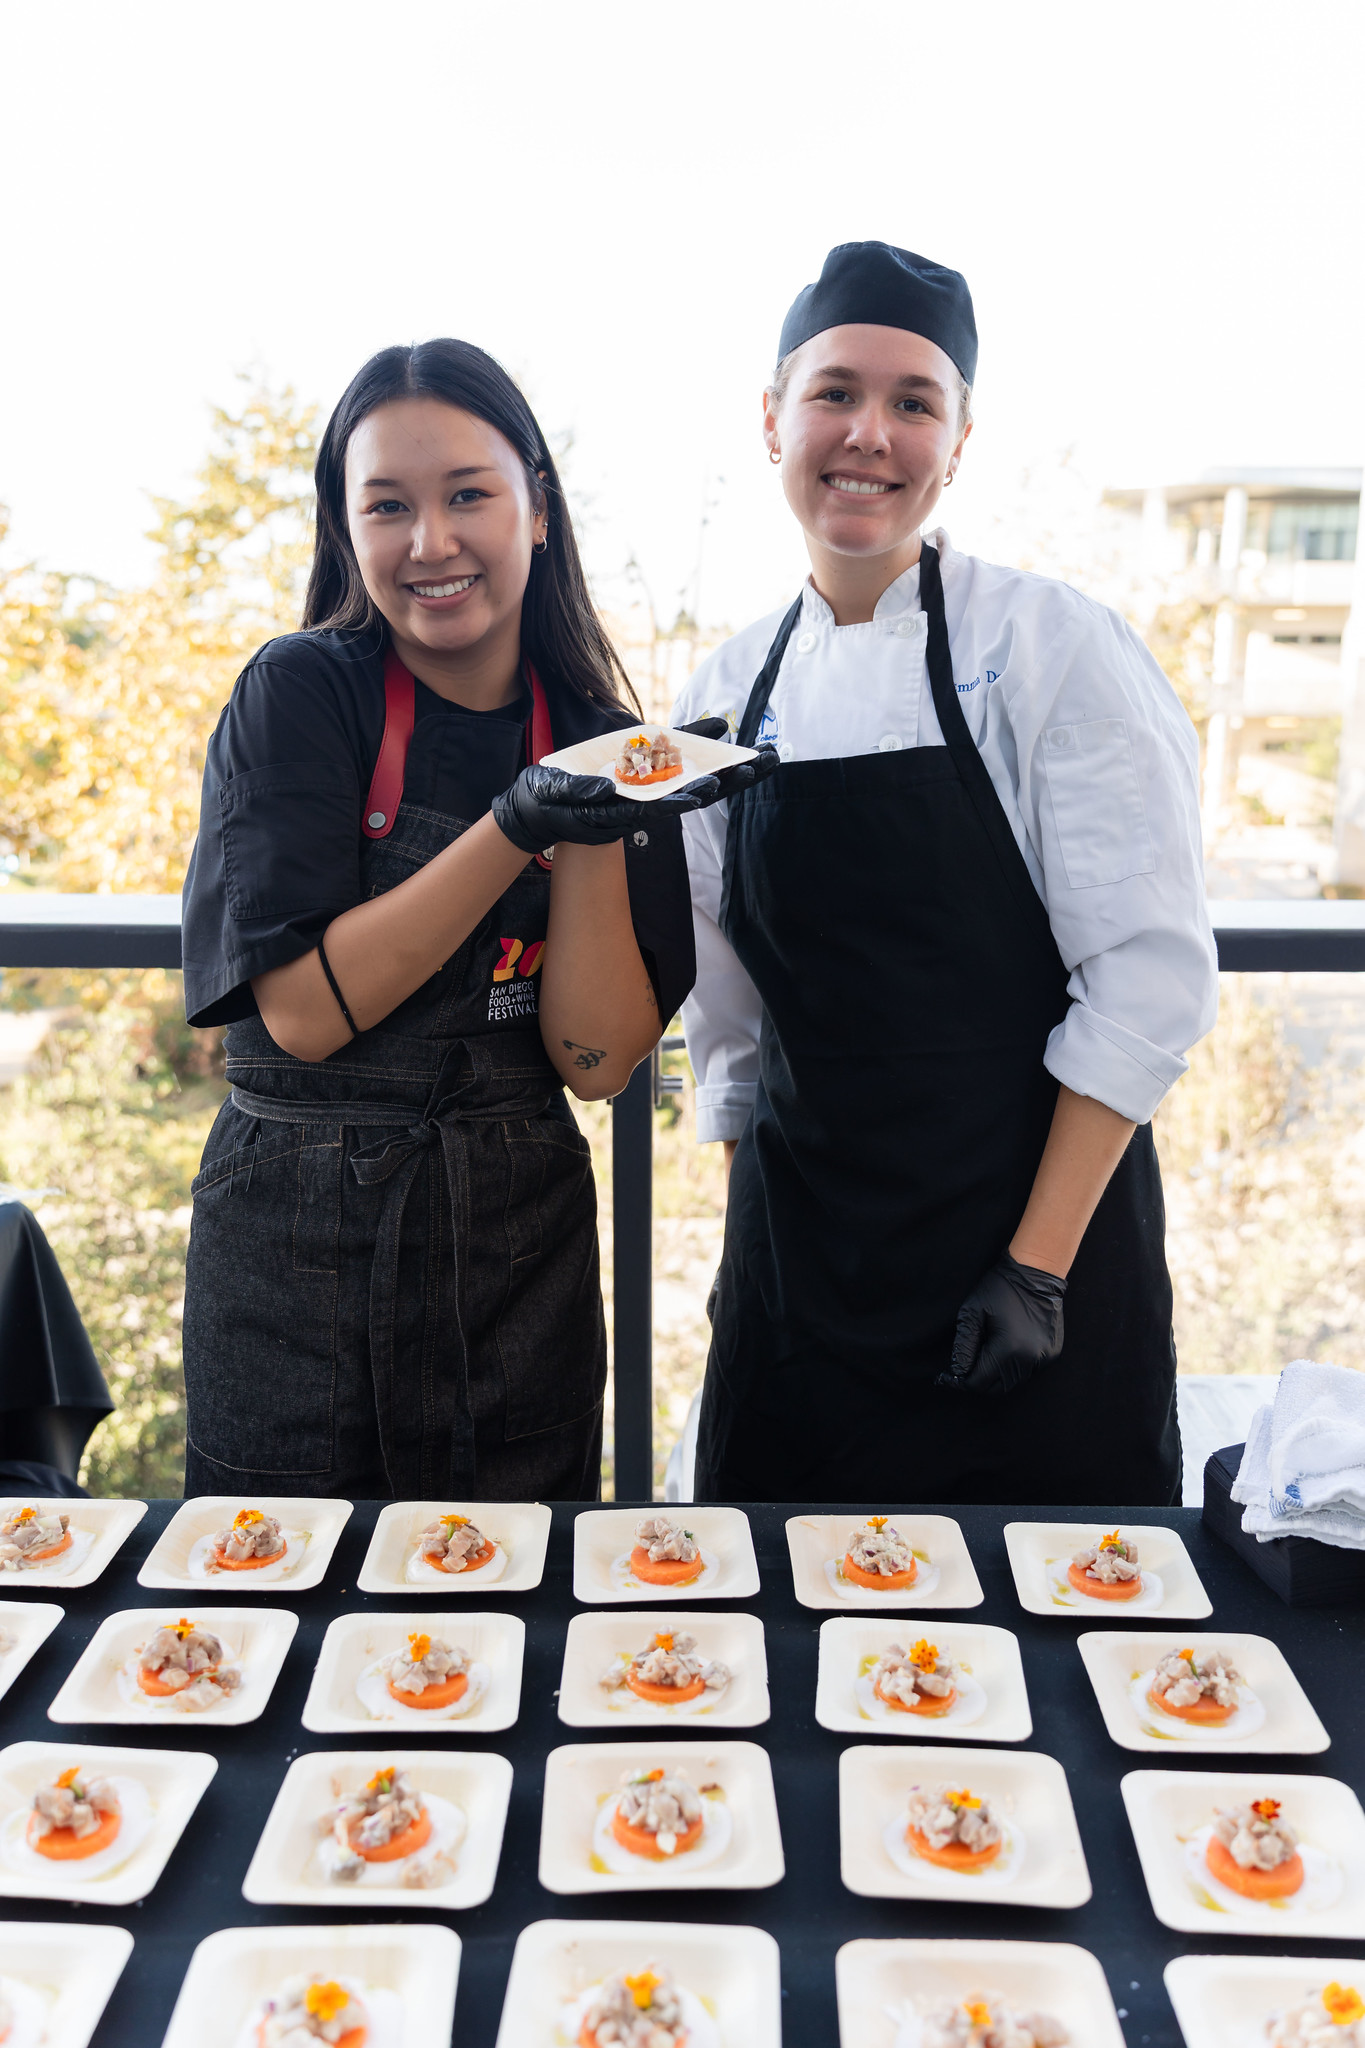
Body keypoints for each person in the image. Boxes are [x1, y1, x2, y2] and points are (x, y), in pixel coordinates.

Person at [672, 241, 1219, 1506]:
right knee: (776, 1653)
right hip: (806, 1284)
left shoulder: (1052, 649)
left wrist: (1033, 1269)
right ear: (772, 418)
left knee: (1054, 1656)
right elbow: (733, 1021)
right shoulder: (720, 693)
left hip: (1036, 1260)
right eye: (836, 392)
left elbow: (1145, 984)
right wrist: (750, 1256)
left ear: (958, 443)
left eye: (915, 402)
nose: (870, 432)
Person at [180, 338, 770, 1501]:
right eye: (388, 505)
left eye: (467, 495)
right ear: (345, 528)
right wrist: (512, 822)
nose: (430, 542)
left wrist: (593, 817)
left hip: (516, 1256)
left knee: (512, 1611)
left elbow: (597, 1062)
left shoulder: (604, 731)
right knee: (278, 1605)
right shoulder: (298, 692)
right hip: (291, 1246)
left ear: (537, 507)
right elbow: (301, 1013)